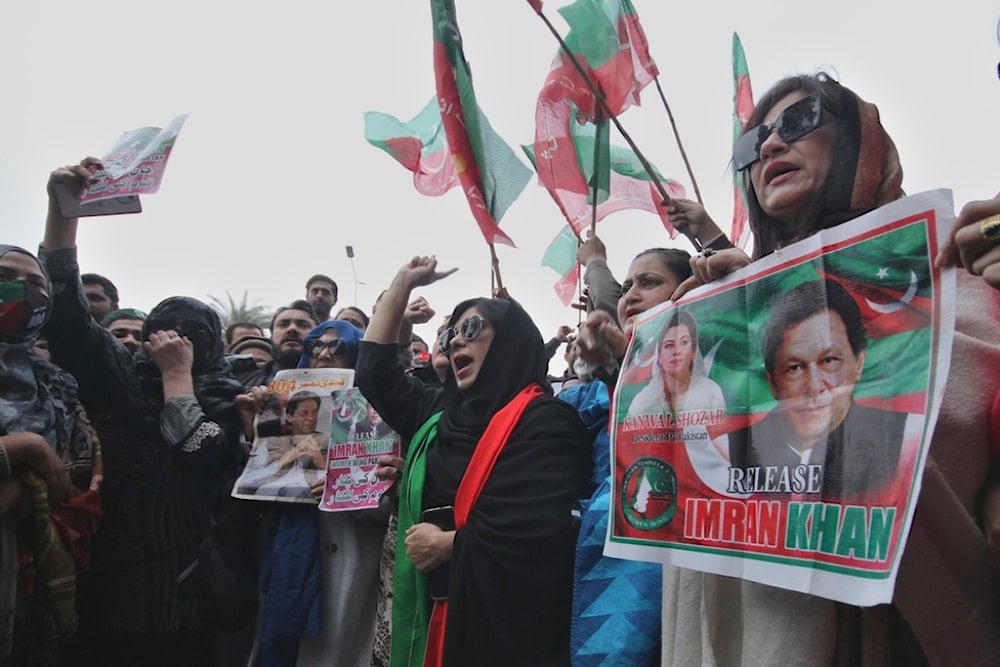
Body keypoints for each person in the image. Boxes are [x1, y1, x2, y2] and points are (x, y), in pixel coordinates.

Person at [662, 72, 1000, 664]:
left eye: (798, 122)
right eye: (752, 144)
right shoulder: (725, 316)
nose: (767, 147)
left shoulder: (951, 265)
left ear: (859, 144)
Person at [40, 158, 246, 665]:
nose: (178, 345)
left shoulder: (229, 398)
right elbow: (69, 317)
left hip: (183, 593)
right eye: (166, 334)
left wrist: (179, 379)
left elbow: (201, 450)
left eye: (193, 339)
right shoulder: (119, 381)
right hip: (101, 583)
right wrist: (63, 211)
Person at [356, 256, 592, 666]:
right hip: (431, 613)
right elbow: (375, 372)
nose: (455, 343)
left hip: (506, 626)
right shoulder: (439, 413)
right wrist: (404, 282)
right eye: (449, 336)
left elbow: (546, 529)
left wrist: (452, 546)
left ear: (510, 341)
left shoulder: (546, 420)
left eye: (470, 329)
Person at [565, 245, 692, 666]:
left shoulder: (715, 382)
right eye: (626, 287)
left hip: (682, 592)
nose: (630, 296)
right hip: (598, 596)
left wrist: (597, 261)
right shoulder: (592, 396)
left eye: (650, 283)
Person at [255, 318, 386, 667]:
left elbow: (389, 502)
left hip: (347, 551)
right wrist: (254, 426)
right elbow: (261, 476)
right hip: (288, 549)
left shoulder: (380, 411)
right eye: (315, 346)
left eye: (337, 346)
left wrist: (344, 487)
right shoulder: (285, 401)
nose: (324, 353)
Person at [0, 245, 100, 665]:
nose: (23, 291)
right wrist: (26, 447)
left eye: (38, 285)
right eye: (6, 274)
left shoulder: (49, 382)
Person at [727, 280, 907, 499]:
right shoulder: (730, 449)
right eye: (794, 368)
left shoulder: (903, 439)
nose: (814, 386)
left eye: (829, 361)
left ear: (858, 363)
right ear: (773, 382)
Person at [629, 309, 732, 494]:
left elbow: (720, 443)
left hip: (703, 485)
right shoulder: (643, 402)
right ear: (659, 355)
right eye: (669, 345)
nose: (676, 351)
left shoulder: (710, 391)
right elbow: (630, 452)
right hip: (652, 485)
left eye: (684, 343)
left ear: (693, 350)